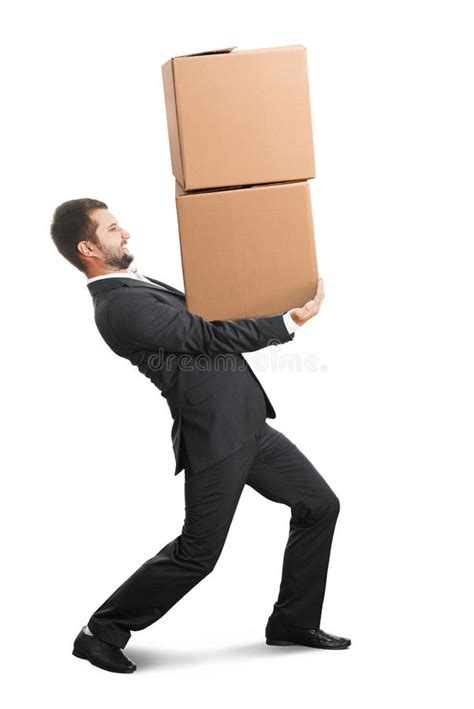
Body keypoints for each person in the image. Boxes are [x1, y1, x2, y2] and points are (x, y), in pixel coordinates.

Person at [50, 197, 350, 674]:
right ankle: (100, 632)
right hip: (216, 437)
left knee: (319, 505)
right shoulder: (119, 306)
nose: (125, 233)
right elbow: (204, 336)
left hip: (249, 426)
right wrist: (288, 324)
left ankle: (293, 621)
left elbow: (212, 315)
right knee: (198, 553)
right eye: (112, 229)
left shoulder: (134, 285)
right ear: (88, 247)